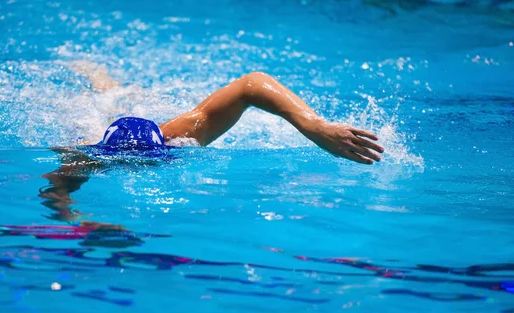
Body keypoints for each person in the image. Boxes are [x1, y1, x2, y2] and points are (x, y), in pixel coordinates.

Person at [40, 65, 384, 222]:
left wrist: (314, 126)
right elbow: (54, 191)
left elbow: (253, 83)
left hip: (145, 124)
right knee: (88, 108)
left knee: (122, 96)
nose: (143, 170)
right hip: (94, 134)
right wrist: (78, 221)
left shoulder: (182, 135)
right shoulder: (87, 159)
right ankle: (93, 75)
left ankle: (103, 77)